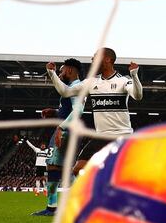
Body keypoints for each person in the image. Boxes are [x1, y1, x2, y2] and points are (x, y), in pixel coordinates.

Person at [47, 47, 143, 176]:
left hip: (122, 136)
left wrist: (134, 75)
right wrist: (52, 74)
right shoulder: (91, 82)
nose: (92, 59)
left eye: (96, 56)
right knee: (78, 169)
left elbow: (137, 95)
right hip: (101, 136)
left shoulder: (123, 80)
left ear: (108, 59)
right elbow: (65, 92)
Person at [32, 58, 84, 216]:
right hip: (68, 130)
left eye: (62, 71)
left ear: (69, 70)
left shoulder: (76, 87)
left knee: (55, 166)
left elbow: (78, 111)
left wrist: (62, 128)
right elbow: (69, 110)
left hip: (67, 130)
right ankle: (60, 206)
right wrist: (54, 112)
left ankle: (58, 206)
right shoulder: (72, 88)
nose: (60, 74)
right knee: (59, 167)